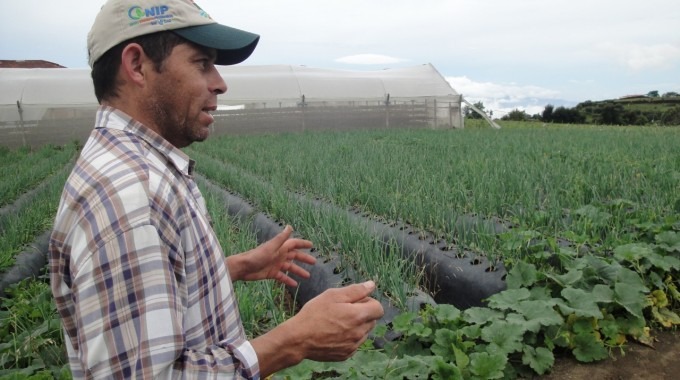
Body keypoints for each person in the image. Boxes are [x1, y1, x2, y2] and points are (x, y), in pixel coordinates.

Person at [48, 0, 384, 378]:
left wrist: (236, 267)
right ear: (137, 65)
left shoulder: (139, 169)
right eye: (201, 63)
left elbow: (151, 293)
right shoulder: (129, 195)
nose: (220, 83)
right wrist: (295, 339)